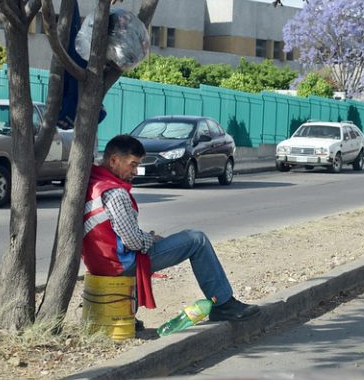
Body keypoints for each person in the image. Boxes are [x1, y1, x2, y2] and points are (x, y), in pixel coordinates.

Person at [82, 134, 260, 322]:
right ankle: (223, 305)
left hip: (100, 262)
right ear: (114, 161)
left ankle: (128, 316)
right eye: (132, 165)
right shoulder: (116, 193)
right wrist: (151, 239)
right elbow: (133, 242)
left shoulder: (95, 181)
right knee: (197, 240)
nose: (135, 171)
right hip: (121, 264)